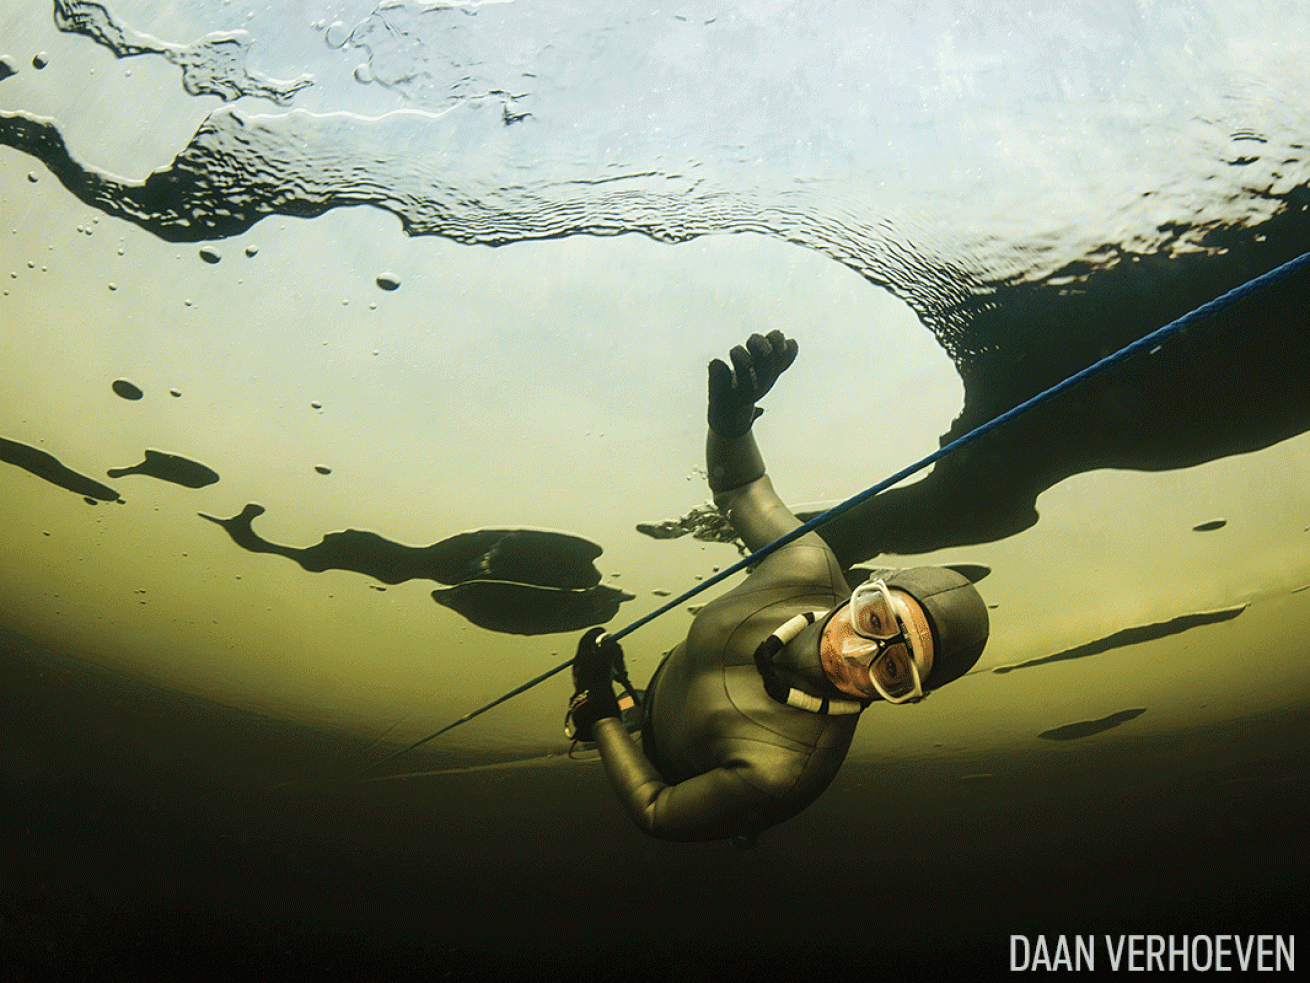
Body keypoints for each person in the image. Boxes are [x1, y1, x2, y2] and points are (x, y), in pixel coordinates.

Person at [566, 331, 990, 843]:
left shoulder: (786, 774)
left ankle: (624, 712)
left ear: (902, 695)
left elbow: (656, 810)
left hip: (663, 761)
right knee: (637, 709)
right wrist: (732, 421)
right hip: (666, 685)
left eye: (894, 669)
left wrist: (601, 714)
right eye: (877, 620)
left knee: (631, 730)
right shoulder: (803, 564)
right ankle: (629, 707)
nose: (857, 653)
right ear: (871, 588)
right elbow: (741, 487)